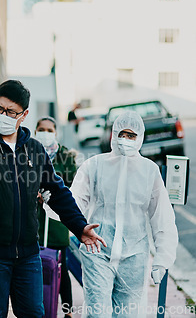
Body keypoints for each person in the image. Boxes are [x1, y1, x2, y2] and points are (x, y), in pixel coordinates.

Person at [0, 79, 107, 317]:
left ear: (23, 115)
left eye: (10, 111)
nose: (2, 115)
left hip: (27, 254)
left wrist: (79, 226)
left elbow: (56, 192)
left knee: (35, 313)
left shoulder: (34, 150)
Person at [70, 111, 178, 318]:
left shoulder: (149, 171)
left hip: (134, 255)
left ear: (140, 138)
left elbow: (161, 217)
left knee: (127, 314)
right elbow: (74, 202)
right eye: (122, 134)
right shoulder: (95, 165)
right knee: (97, 313)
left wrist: (162, 259)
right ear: (113, 134)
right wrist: (52, 203)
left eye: (131, 135)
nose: (125, 140)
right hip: (97, 249)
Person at [35, 116, 77, 318]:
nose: (45, 133)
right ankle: (41, 307)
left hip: (56, 220)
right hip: (33, 220)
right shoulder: (29, 152)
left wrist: (53, 196)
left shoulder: (66, 157)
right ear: (35, 131)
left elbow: (73, 188)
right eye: (41, 129)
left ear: (55, 132)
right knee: (36, 267)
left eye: (49, 130)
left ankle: (67, 310)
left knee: (62, 266)